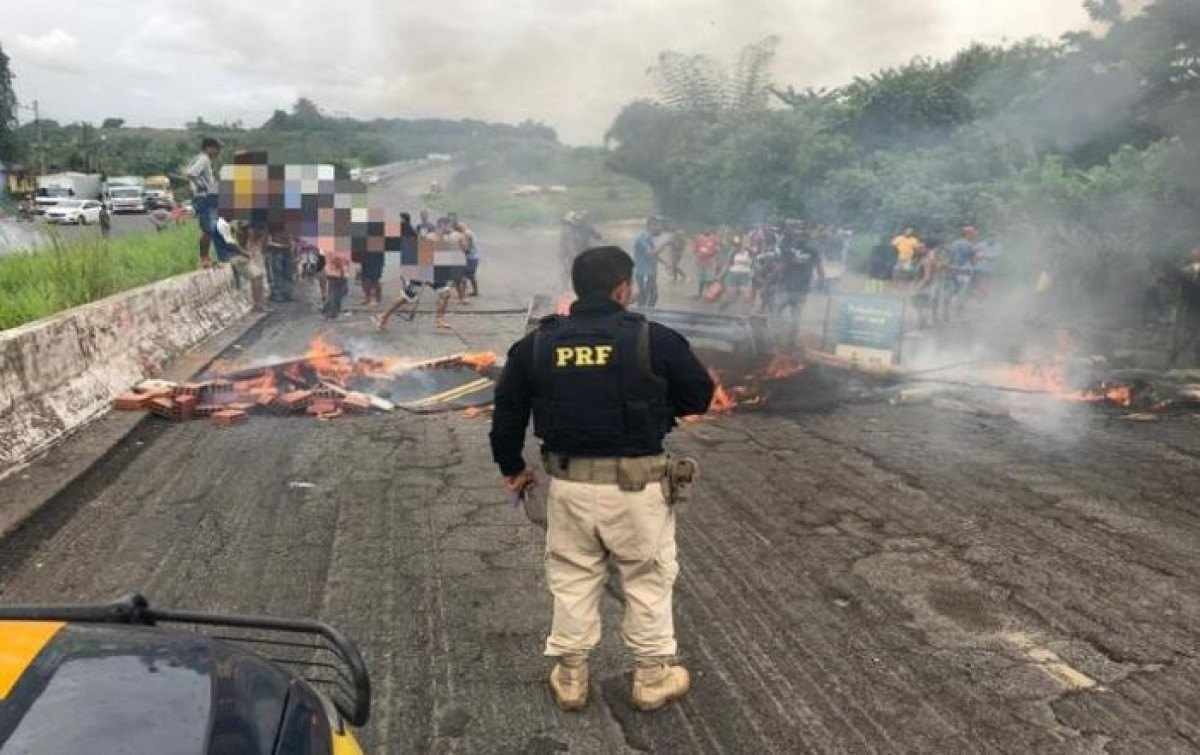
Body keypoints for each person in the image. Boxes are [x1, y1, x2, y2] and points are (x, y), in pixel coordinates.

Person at [489, 245, 714, 713]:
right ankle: (652, 678)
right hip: (639, 488)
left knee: (573, 577)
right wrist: (655, 409)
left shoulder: (536, 344)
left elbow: (508, 415)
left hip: (569, 487)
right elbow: (699, 397)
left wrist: (513, 468)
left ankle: (571, 677)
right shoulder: (654, 339)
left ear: (578, 288)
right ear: (623, 288)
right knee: (647, 579)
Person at [776, 222, 825, 348]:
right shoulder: (797, 249)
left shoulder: (794, 249)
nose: (801, 238)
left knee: (787, 314)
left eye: (802, 236)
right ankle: (782, 338)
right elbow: (819, 268)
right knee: (791, 315)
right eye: (800, 236)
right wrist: (821, 281)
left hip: (793, 288)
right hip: (794, 288)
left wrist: (821, 281)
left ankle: (784, 339)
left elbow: (781, 267)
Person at [186, 137, 223, 268]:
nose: (218, 152)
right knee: (208, 229)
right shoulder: (204, 159)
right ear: (209, 148)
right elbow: (191, 173)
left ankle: (206, 257)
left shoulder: (200, 158)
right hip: (204, 198)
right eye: (217, 149)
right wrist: (202, 186)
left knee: (210, 228)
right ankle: (204, 259)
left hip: (205, 197)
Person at [632, 216, 662, 308]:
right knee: (645, 296)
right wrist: (665, 243)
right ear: (650, 226)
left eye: (659, 225)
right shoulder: (642, 237)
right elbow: (650, 253)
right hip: (644, 272)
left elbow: (655, 255)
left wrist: (665, 263)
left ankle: (648, 314)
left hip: (651, 271)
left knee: (653, 296)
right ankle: (643, 314)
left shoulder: (648, 237)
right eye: (656, 225)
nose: (659, 228)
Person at [265, 224, 295, 303]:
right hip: (277, 251)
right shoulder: (272, 227)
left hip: (285, 251)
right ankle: (279, 294)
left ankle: (286, 293)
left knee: (286, 273)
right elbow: (268, 242)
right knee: (278, 273)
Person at [322, 242, 352, 319]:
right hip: (338, 273)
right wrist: (342, 271)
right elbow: (338, 260)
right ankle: (331, 312)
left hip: (333, 272)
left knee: (335, 292)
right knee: (337, 293)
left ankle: (328, 309)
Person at [456, 221, 481, 297]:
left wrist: (460, 250)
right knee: (471, 275)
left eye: (459, 229)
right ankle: (475, 291)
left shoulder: (467, 234)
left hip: (471, 258)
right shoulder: (469, 232)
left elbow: (467, 249)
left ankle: (463, 295)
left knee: (464, 276)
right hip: (474, 257)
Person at [692, 229, 719, 298]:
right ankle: (700, 293)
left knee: (709, 279)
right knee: (701, 279)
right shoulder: (698, 239)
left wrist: (712, 255)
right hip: (700, 262)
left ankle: (710, 294)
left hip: (710, 262)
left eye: (709, 229)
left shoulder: (714, 239)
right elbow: (694, 250)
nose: (707, 230)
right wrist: (697, 256)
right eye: (705, 229)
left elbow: (717, 250)